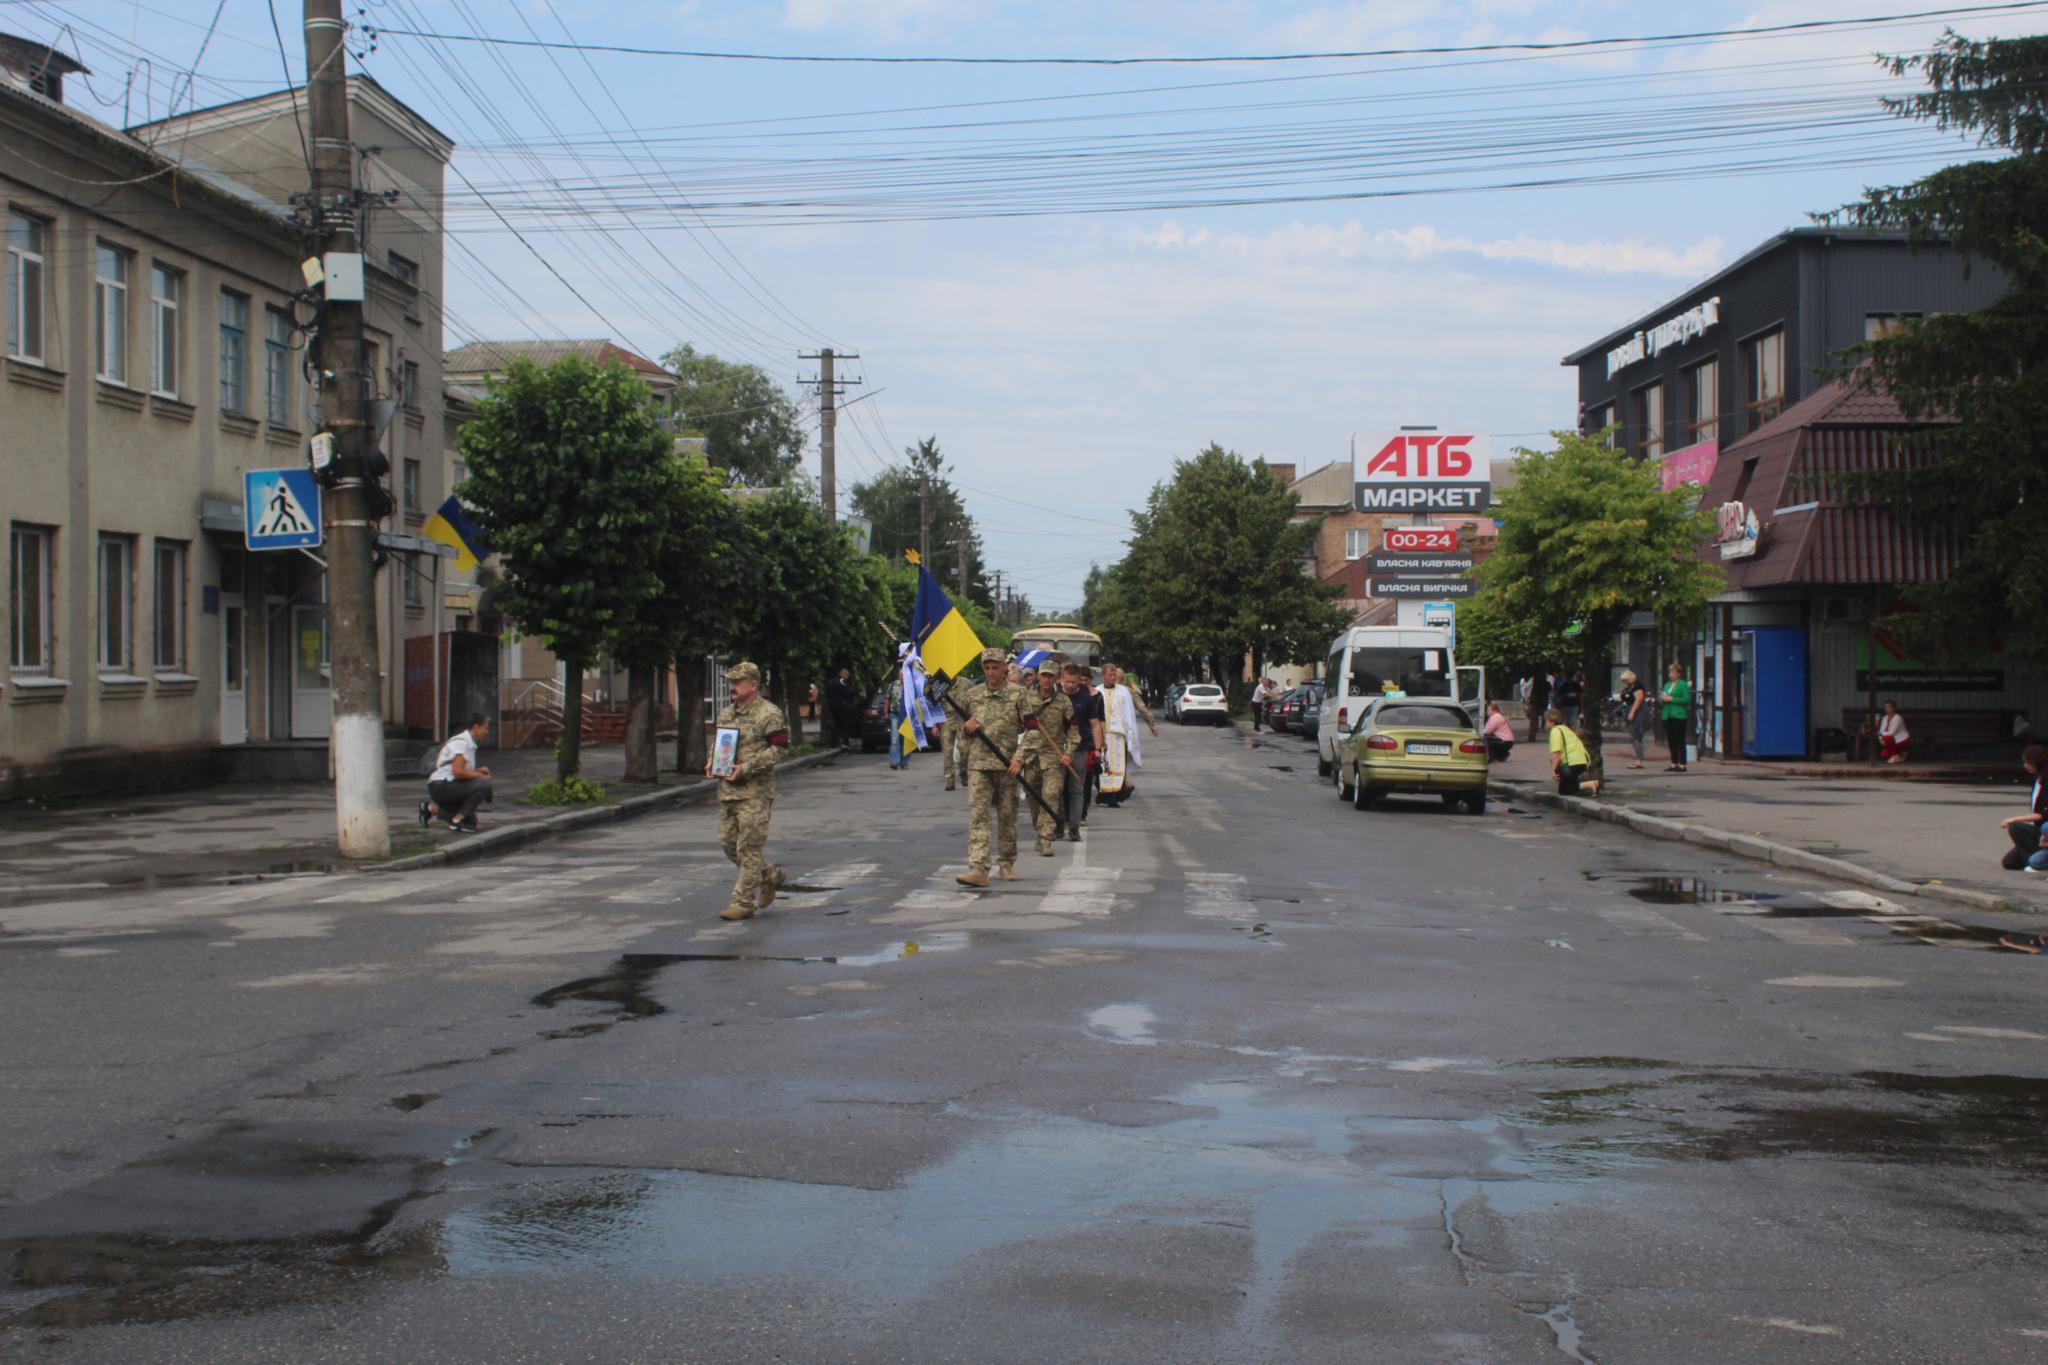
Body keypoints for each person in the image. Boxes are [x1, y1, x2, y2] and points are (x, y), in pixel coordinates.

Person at [707, 661, 789, 921]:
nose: (732, 687)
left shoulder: (769, 713)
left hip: (755, 791)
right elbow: (720, 743)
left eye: (737, 682)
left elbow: (780, 749)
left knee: (748, 848)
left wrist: (748, 768)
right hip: (728, 789)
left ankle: (742, 902)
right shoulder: (727, 713)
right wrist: (713, 762)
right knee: (729, 845)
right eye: (730, 682)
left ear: (753, 685)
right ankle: (770, 876)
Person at [955, 647, 1037, 887]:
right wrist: (966, 730)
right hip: (979, 765)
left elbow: (1032, 730)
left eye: (995, 667)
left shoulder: (1019, 694)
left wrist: (1020, 759)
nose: (991, 672)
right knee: (979, 817)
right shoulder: (972, 695)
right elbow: (961, 731)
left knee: (1007, 816)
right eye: (987, 667)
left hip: (1007, 765)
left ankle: (1006, 862)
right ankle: (978, 868)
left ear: (1004, 667)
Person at [1021, 661, 1079, 856]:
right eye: (1044, 675)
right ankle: (1039, 831)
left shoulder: (1064, 702)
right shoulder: (1025, 699)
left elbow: (1073, 730)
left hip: (1053, 757)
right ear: (1038, 676)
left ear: (1056, 678)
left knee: (1051, 795)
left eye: (1050, 676)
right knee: (1034, 798)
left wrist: (1068, 753)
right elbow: (1015, 725)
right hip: (1030, 756)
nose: (1046, 679)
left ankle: (1046, 838)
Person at [1097, 661, 1156, 808]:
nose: (1112, 677)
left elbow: (1129, 714)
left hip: (1118, 735)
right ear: (1103, 675)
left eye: (1114, 675)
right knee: (1103, 766)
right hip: (1102, 734)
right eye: (1109, 675)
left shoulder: (1124, 691)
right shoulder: (1097, 692)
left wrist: (1131, 734)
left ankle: (1115, 795)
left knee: (1118, 766)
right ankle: (1104, 793)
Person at [422, 712, 494, 833]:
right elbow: (457, 772)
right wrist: (479, 775)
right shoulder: (462, 743)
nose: (487, 732)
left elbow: (459, 769)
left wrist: (477, 771)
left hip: (449, 784)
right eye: (485, 728)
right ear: (476, 727)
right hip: (441, 786)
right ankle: (457, 821)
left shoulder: (469, 743)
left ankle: (429, 809)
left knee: (471, 822)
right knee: (483, 784)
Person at [1061, 663, 1104, 838]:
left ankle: (1074, 827)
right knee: (1057, 788)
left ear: (1079, 680)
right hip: (1057, 750)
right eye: (1067, 681)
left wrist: (1098, 749)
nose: (1070, 685)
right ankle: (1058, 823)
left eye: (1073, 682)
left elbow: (1095, 725)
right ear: (1061, 679)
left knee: (1076, 789)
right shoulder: (1056, 697)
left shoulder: (1086, 699)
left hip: (1080, 749)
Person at [1999, 744, 2048, 872]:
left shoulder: (2046, 783)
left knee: (2016, 827)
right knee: (2009, 862)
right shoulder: (2037, 781)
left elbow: (2042, 814)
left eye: (2028, 762)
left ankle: (2036, 862)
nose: (2025, 766)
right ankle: (2036, 858)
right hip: (2038, 829)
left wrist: (2014, 819)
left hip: (2044, 828)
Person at [1547, 708, 1600, 797]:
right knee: (1565, 788)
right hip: (1582, 761)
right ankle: (1590, 785)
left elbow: (1557, 753)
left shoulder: (1555, 731)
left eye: (1546, 721)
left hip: (1573, 763)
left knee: (1564, 790)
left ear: (1552, 721)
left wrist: (1553, 771)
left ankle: (1592, 784)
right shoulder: (1566, 729)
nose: (1546, 724)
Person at [1659, 663, 1693, 772]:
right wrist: (1662, 699)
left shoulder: (1683, 685)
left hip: (1679, 715)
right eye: (1670, 672)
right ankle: (1674, 762)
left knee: (1680, 740)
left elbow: (1687, 700)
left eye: (1673, 672)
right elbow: (1664, 696)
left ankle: (1682, 763)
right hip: (1667, 714)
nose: (1671, 674)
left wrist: (1672, 699)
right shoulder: (1667, 685)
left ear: (1679, 673)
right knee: (1671, 740)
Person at [1620, 669, 1653, 770]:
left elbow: (1639, 699)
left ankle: (1638, 761)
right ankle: (1637, 759)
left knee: (1637, 736)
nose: (1625, 683)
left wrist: (1632, 712)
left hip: (1638, 713)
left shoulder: (1637, 686)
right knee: (1634, 736)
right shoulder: (1629, 687)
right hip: (1631, 710)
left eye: (1626, 680)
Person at [825, 666, 858, 751]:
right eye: (847, 675)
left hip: (832, 706)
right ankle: (845, 742)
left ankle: (833, 743)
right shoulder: (842, 681)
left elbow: (827, 694)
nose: (847, 676)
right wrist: (853, 691)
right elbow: (847, 693)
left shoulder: (830, 681)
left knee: (836, 723)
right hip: (842, 705)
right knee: (846, 724)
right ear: (843, 674)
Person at [1877, 700, 1911, 764]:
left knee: (1887, 738)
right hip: (1891, 740)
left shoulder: (1898, 718)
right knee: (1883, 755)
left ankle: (1895, 755)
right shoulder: (1885, 718)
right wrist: (1880, 739)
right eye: (1885, 707)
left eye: (1889, 707)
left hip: (1902, 739)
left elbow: (1892, 733)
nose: (1887, 709)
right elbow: (1881, 730)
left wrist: (1881, 735)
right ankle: (1899, 754)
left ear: (1894, 708)